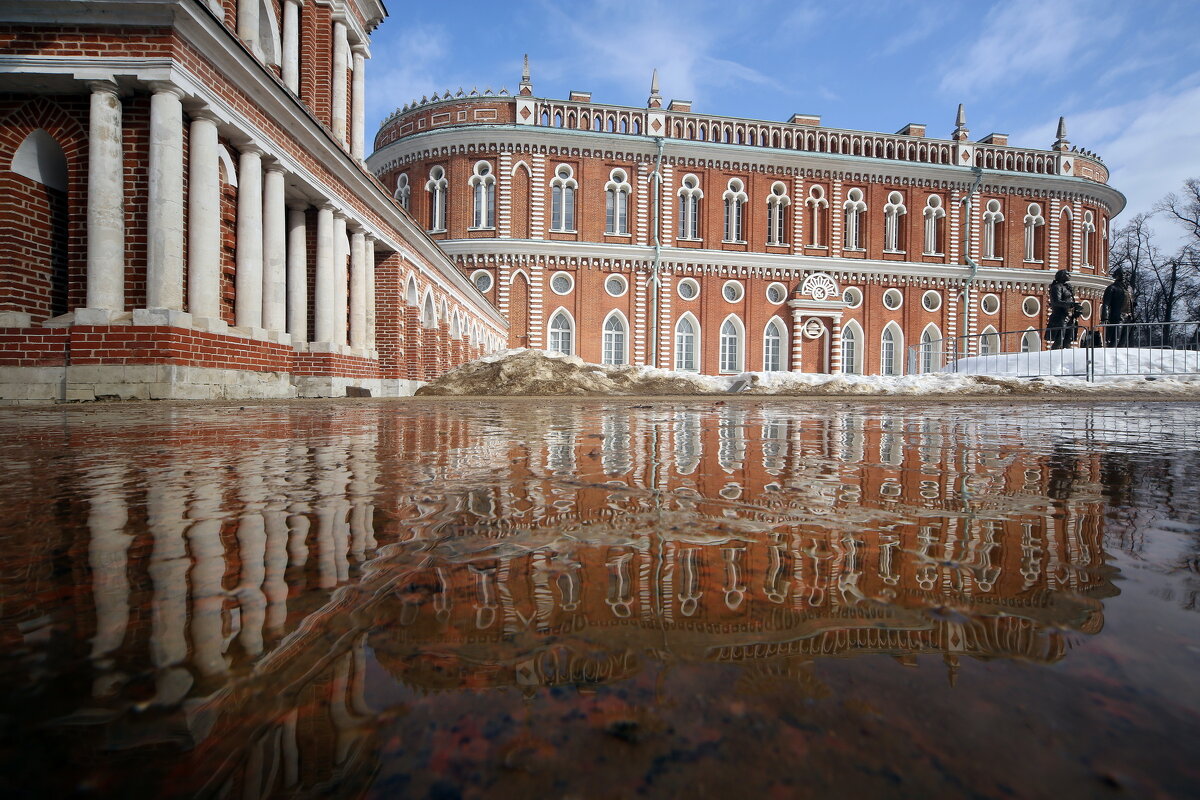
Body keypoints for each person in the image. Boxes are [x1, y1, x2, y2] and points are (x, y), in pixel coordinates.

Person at [1101, 268, 1134, 347]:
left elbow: (1131, 301)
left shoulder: (1129, 289)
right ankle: (1110, 355)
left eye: (1124, 274)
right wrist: (1105, 318)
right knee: (1116, 339)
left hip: (1128, 317)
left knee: (1124, 340)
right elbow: (1106, 304)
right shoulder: (1112, 288)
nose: (1123, 276)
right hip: (1118, 316)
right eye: (1120, 274)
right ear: (1116, 276)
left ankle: (1120, 357)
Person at [1047, 269, 1077, 350]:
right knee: (1059, 339)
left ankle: (1067, 356)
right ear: (1062, 276)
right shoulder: (1057, 287)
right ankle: (1053, 356)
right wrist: (1070, 304)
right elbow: (1056, 302)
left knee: (1068, 339)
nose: (1069, 276)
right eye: (1067, 274)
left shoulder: (1066, 287)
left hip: (1069, 316)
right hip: (1060, 316)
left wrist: (1075, 308)